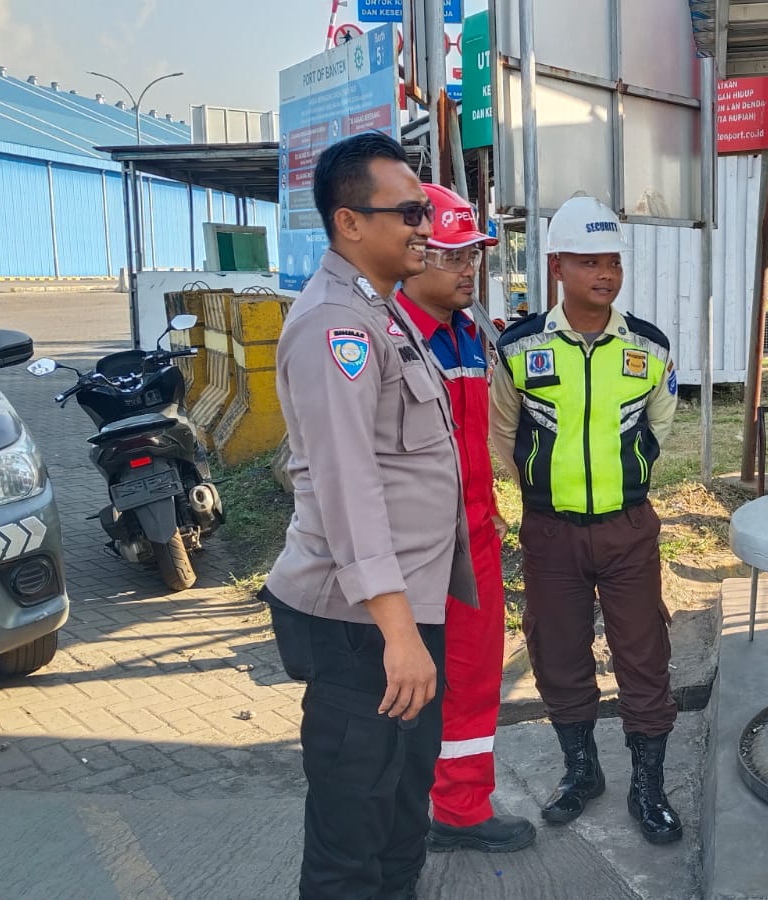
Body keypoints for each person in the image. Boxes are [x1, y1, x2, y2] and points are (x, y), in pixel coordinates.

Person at [263, 132, 477, 900]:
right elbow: (349, 487)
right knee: (352, 833)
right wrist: (399, 634)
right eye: (410, 213)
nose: (426, 227)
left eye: (425, 211)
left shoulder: (380, 311)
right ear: (350, 222)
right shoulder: (336, 326)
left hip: (401, 613)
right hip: (363, 628)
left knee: (400, 811)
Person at [489, 195, 683, 845]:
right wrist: (543, 491)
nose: (605, 274)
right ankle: (582, 770)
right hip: (550, 532)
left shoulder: (648, 346)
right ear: (557, 267)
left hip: (629, 529)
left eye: (613, 262)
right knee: (557, 651)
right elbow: (502, 433)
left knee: (644, 654)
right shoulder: (520, 347)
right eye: (589, 261)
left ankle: (648, 786)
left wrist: (624, 479)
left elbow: (658, 427)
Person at [391, 182, 537, 854]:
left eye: (473, 255)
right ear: (414, 255)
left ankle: (461, 807)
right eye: (453, 257)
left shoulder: (468, 335)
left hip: (473, 538)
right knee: (408, 686)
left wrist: (491, 512)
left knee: (476, 676)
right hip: (414, 551)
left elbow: (475, 443)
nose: (468, 269)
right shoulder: (388, 340)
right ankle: (402, 810)